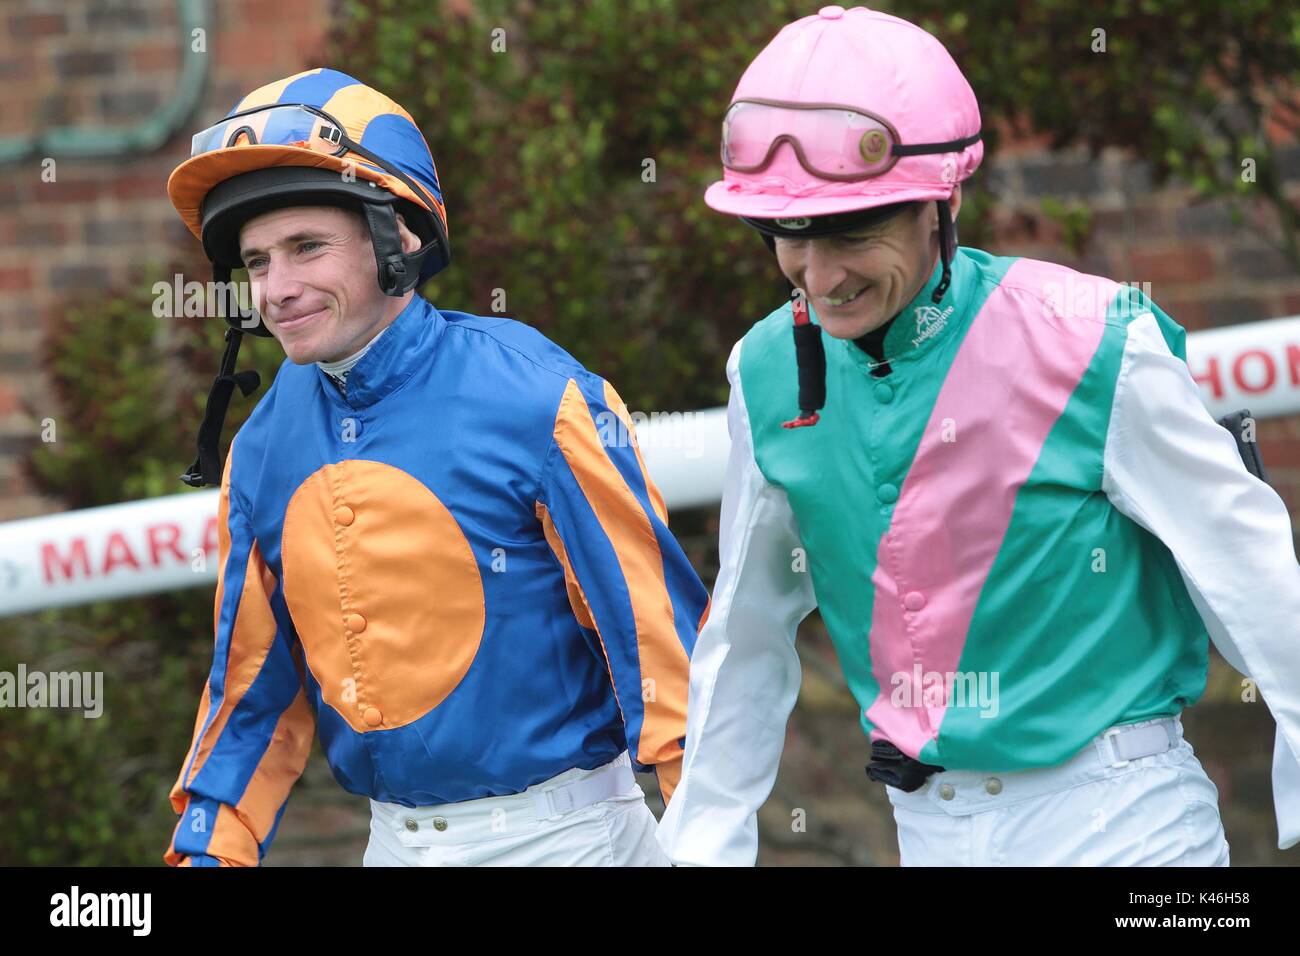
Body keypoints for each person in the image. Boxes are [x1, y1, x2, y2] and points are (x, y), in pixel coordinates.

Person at [657, 5, 1300, 866]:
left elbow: (1253, 573)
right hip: (927, 830)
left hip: (1124, 822)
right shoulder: (765, 370)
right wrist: (702, 845)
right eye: (788, 236)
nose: (819, 276)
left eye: (853, 233)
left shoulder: (1094, 337)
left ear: (941, 202)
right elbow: (747, 627)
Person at [163, 68, 708, 866]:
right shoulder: (263, 445)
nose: (278, 289)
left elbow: (663, 653)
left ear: (399, 239)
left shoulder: (536, 396)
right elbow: (252, 697)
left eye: (306, 248)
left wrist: (709, 833)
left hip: (571, 840)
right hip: (391, 843)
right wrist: (207, 850)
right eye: (256, 262)